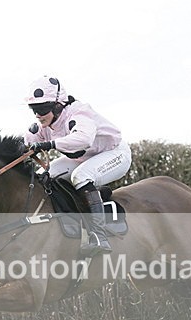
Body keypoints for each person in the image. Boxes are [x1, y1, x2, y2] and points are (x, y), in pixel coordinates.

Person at [24, 76, 132, 256]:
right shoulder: (42, 125)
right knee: (45, 175)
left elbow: (84, 139)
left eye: (42, 109)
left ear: (58, 104)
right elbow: (26, 145)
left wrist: (50, 145)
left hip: (114, 153)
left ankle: (99, 236)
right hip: (83, 160)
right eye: (34, 109)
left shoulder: (79, 113)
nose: (38, 114)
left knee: (81, 176)